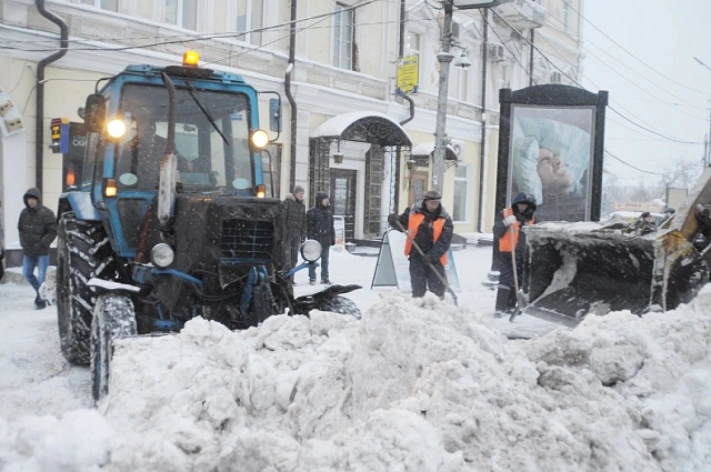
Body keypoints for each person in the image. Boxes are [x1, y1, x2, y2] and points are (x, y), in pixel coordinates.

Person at [388, 190, 454, 299]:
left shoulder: (444, 218)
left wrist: (431, 256)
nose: (434, 206)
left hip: (436, 259)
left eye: (436, 203)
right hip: (416, 255)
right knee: (418, 288)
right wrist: (394, 220)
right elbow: (401, 225)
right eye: (432, 203)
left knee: (437, 288)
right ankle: (418, 308)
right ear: (426, 201)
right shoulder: (413, 212)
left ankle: (439, 309)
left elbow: (444, 241)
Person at [492, 192, 537, 317]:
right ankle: (500, 308)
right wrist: (505, 223)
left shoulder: (532, 218)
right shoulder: (505, 214)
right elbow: (496, 231)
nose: (522, 207)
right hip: (507, 252)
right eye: (520, 205)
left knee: (518, 281)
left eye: (525, 205)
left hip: (524, 254)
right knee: (505, 280)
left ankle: (511, 306)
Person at [18, 188, 57, 309]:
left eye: (33, 199)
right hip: (28, 250)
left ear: (38, 200)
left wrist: (43, 243)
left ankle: (40, 301)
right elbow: (20, 229)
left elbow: (53, 230)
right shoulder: (24, 213)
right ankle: (41, 294)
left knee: (42, 277)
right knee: (27, 273)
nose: (31, 201)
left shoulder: (47, 213)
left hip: (42, 251)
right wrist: (23, 243)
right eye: (29, 199)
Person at [307, 192, 335, 285]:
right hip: (316, 239)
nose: (327, 201)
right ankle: (312, 277)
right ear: (320, 200)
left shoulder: (329, 211)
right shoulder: (312, 212)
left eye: (327, 199)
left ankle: (325, 277)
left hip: (326, 239)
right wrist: (311, 238)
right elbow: (309, 227)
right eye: (325, 199)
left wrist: (332, 237)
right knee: (312, 259)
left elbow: (331, 226)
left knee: (325, 260)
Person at [282, 185, 306, 283]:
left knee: (294, 258)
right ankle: (286, 277)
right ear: (295, 193)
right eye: (300, 193)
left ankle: (291, 278)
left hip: (297, 235)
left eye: (302, 194)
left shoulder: (302, 206)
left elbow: (304, 221)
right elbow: (283, 220)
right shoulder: (287, 204)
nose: (302, 196)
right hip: (288, 235)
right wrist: (284, 233)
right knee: (286, 258)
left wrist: (303, 234)